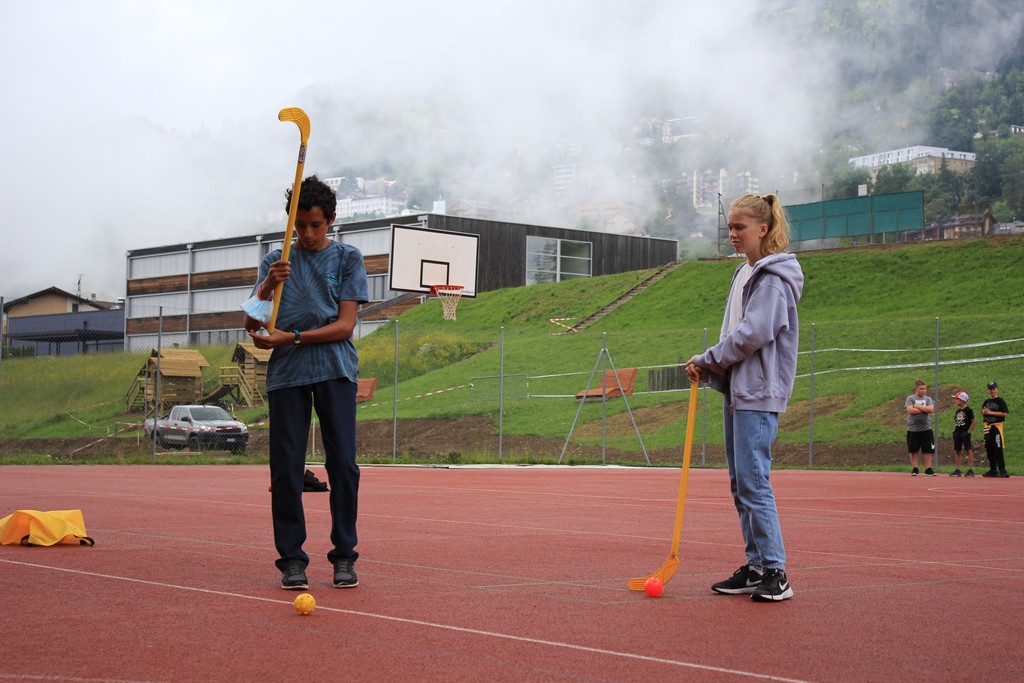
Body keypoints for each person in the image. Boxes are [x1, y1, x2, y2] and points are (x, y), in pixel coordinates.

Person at [243, 175, 369, 590]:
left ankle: (344, 556)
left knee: (343, 467)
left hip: (335, 372)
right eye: (299, 226)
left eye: (315, 225)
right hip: (287, 377)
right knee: (286, 470)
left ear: (330, 220)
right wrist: (267, 285)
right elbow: (253, 329)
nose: (308, 234)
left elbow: (345, 326)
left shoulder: (348, 258)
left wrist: (292, 337)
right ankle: (292, 560)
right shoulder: (273, 261)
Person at [685, 193, 803, 603]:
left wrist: (707, 357)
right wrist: (712, 366)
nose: (732, 234)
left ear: (763, 230)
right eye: (729, 227)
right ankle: (756, 565)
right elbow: (731, 330)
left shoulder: (773, 279)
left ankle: (776, 571)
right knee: (741, 484)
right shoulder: (743, 274)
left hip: (758, 391)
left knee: (754, 481)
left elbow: (753, 334)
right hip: (737, 388)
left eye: (740, 228)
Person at [905, 380, 936, 476]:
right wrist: (924, 409)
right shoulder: (910, 398)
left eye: (925, 389)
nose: (924, 391)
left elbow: (931, 409)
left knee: (928, 449)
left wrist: (917, 406)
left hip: (926, 428)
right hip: (913, 429)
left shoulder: (928, 399)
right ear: (916, 389)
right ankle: (915, 468)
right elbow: (910, 410)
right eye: (921, 389)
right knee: (913, 449)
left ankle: (928, 469)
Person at [981, 381, 1009, 478]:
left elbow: (1005, 413)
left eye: (993, 389)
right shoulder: (986, 402)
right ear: (988, 390)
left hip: (996, 427)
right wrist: (984, 412)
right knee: (989, 448)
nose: (992, 391)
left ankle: (1002, 469)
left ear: (997, 389)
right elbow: (983, 413)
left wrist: (990, 412)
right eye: (990, 389)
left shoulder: (1000, 401)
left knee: (998, 448)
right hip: (987, 427)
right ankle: (993, 469)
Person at [949, 391, 975, 477]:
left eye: (957, 399)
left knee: (968, 450)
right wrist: (954, 431)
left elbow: (973, 422)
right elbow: (956, 422)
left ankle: (970, 469)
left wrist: (968, 432)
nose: (955, 401)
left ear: (962, 400)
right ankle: (958, 469)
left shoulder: (968, 410)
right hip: (957, 432)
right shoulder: (958, 411)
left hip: (965, 432)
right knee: (957, 450)